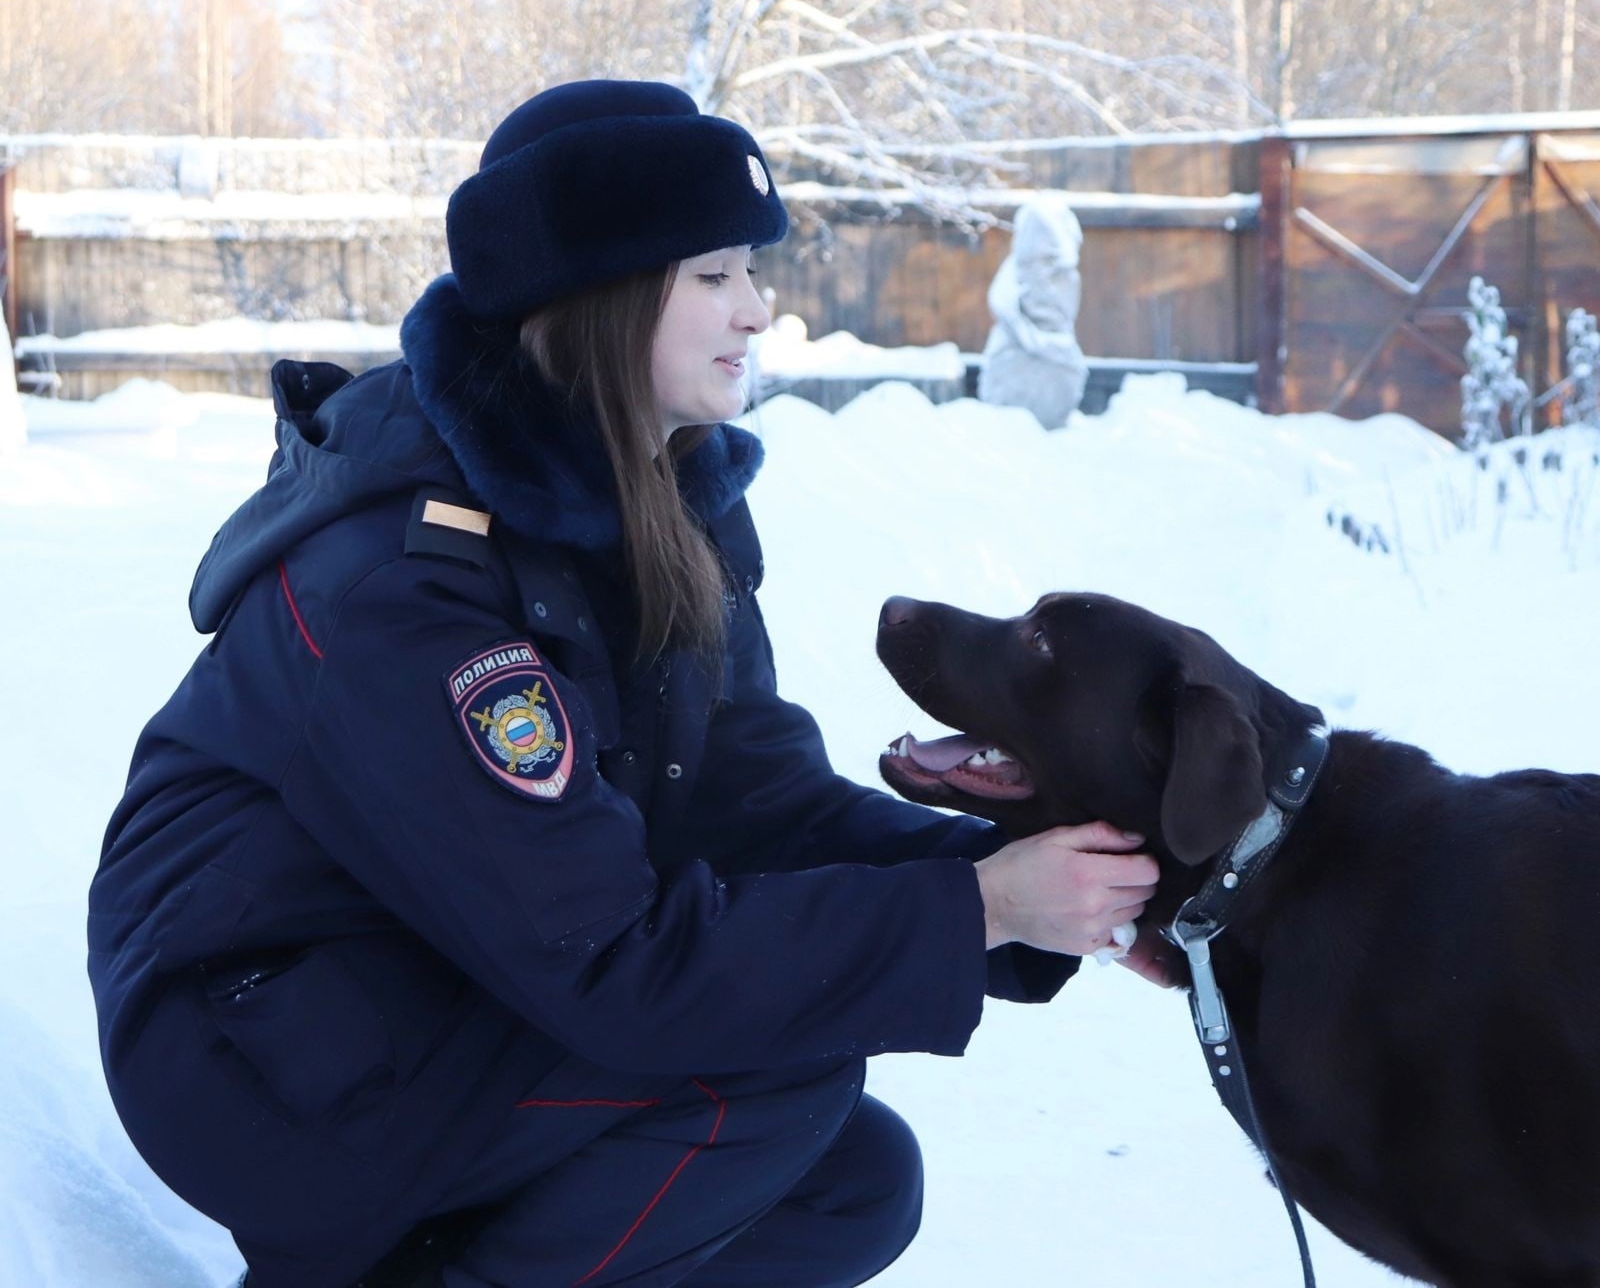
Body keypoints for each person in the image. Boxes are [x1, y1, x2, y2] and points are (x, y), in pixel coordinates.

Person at [87, 80, 1168, 1288]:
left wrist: (1014, 881)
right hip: (263, 1043)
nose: (758, 311)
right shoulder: (409, 587)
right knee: (771, 1081)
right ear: (589, 295)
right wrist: (983, 911)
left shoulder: (659, 503)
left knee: (848, 1185)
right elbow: (613, 963)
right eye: (712, 275)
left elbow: (757, 804)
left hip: (442, 979)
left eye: (750, 272)